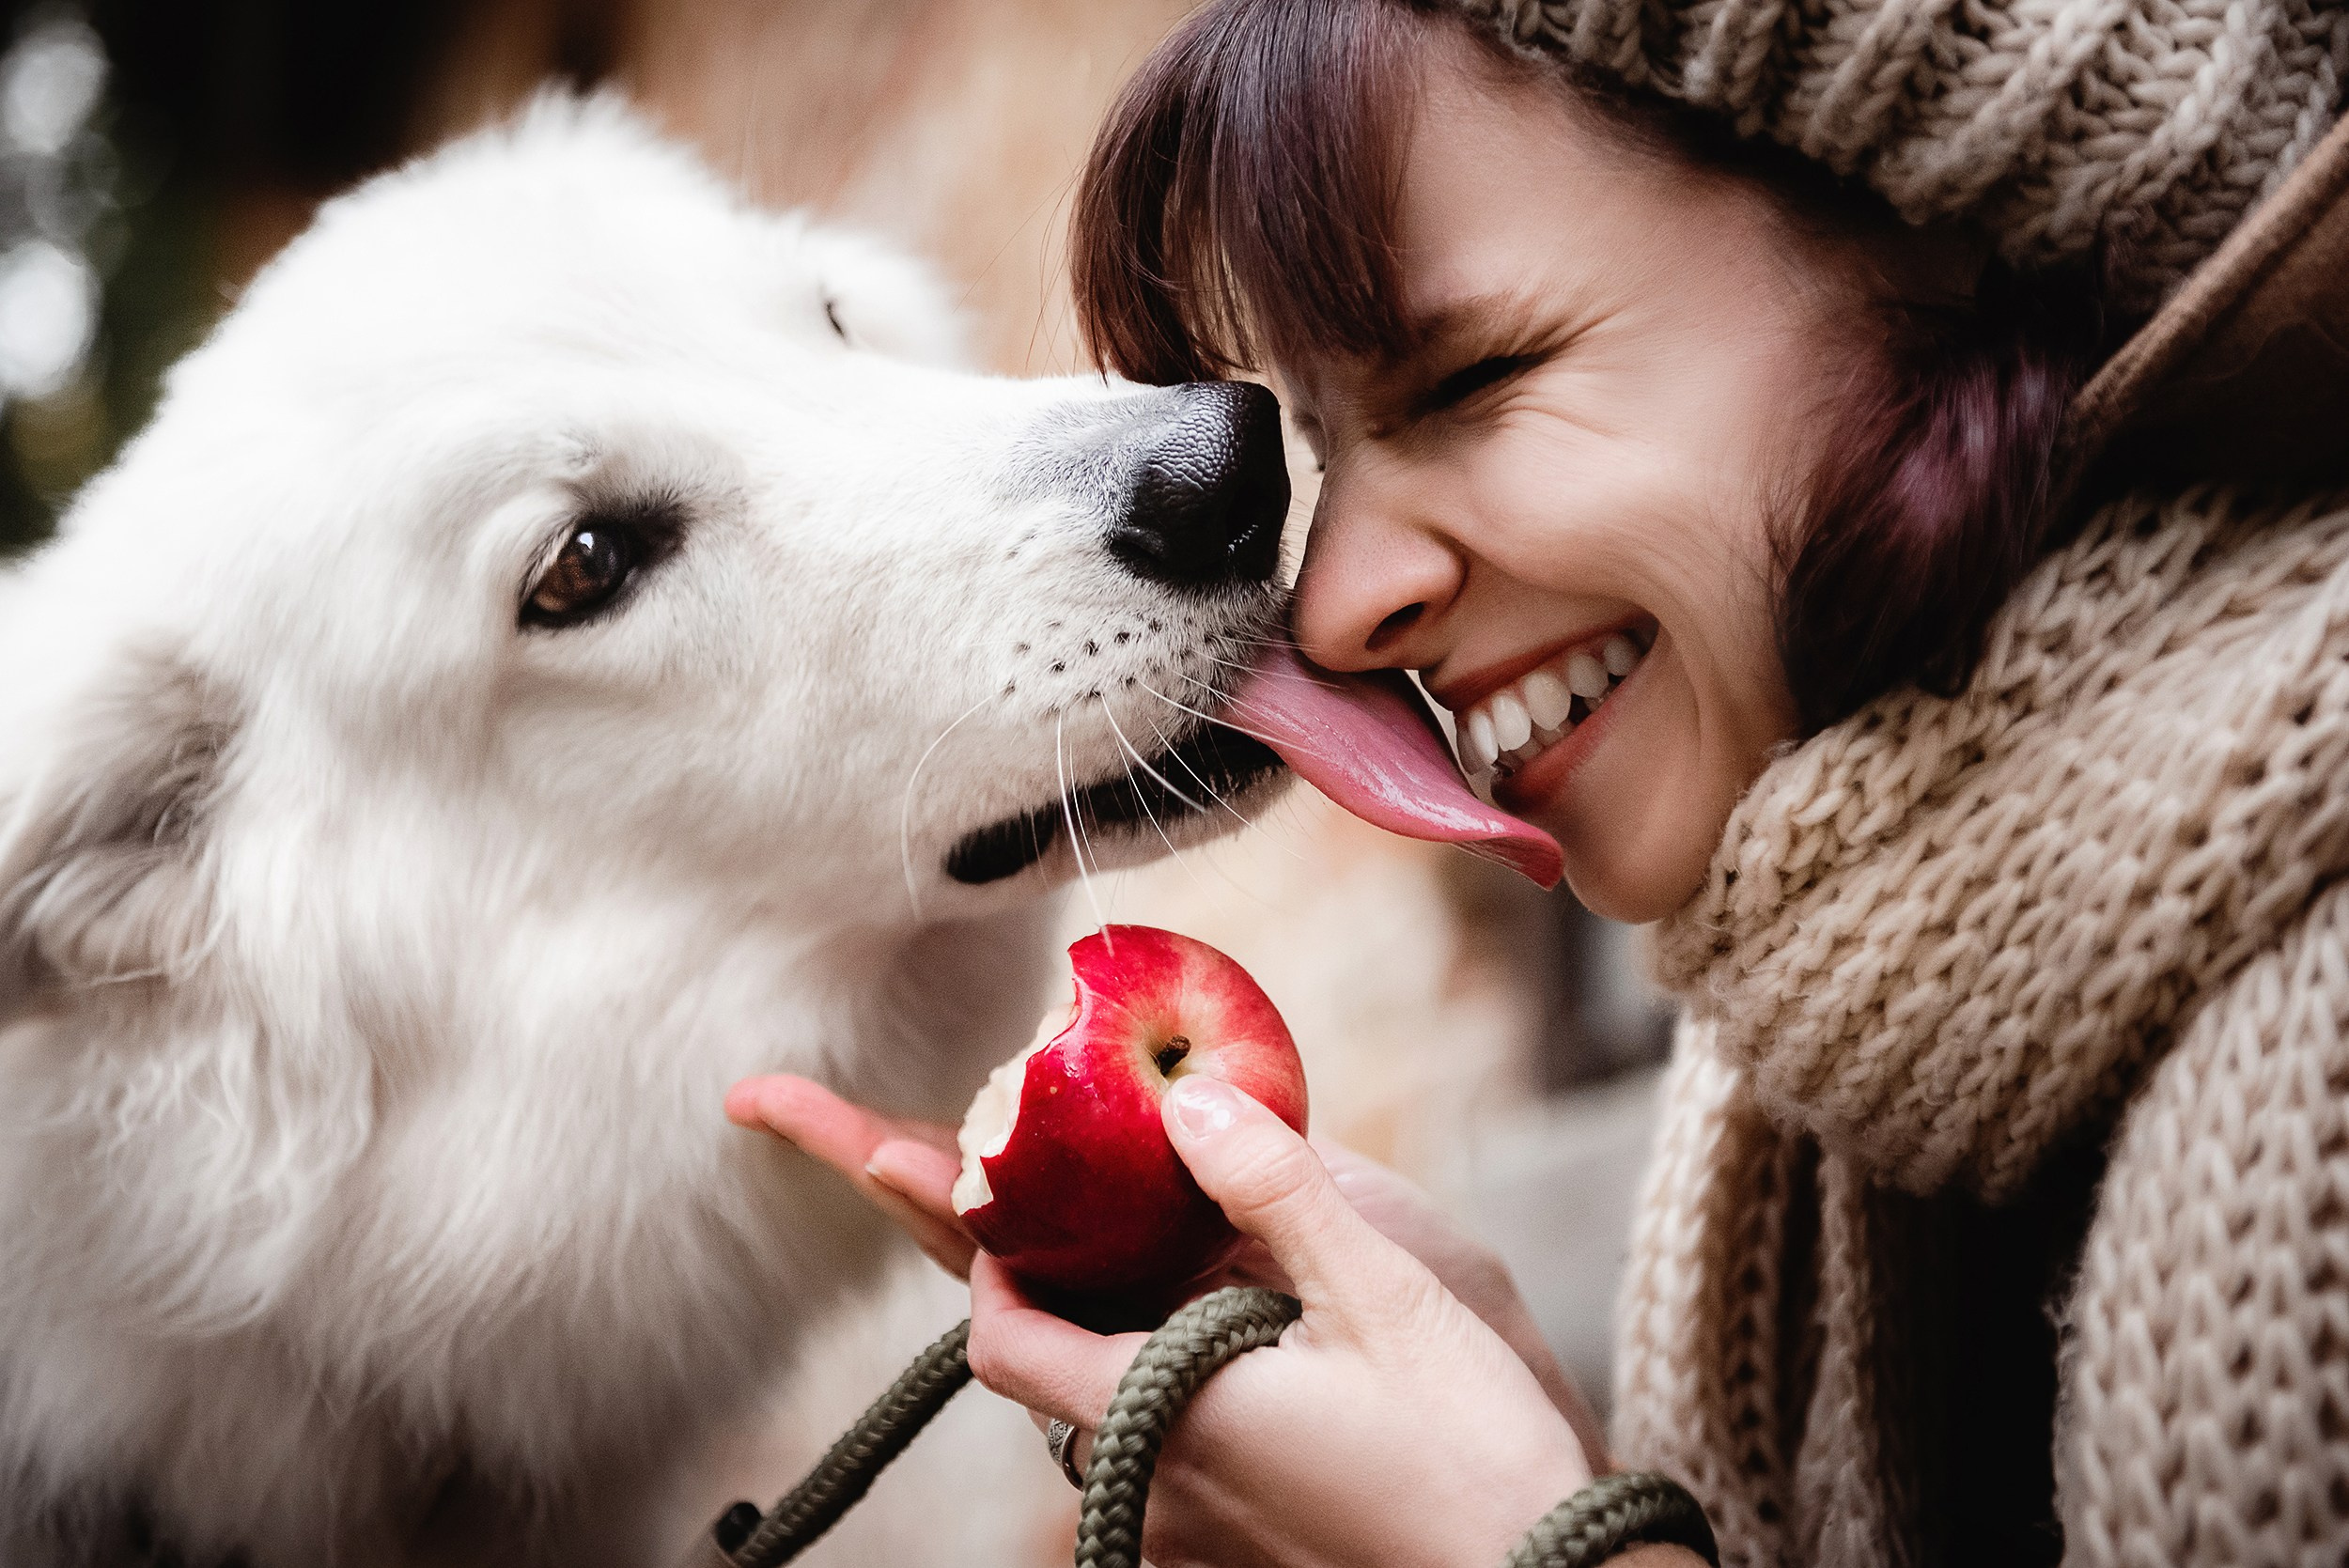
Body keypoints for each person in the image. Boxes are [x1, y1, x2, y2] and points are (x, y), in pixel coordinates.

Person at [730, 0, 2349, 1562]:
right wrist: (1538, 1448)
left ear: (1959, 230)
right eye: (1325, 439)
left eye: (1467, 381)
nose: (1338, 595)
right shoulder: (1818, 1090)